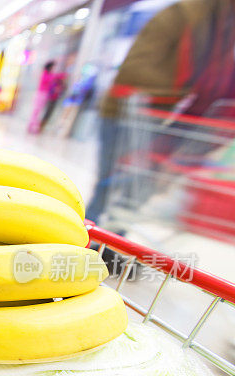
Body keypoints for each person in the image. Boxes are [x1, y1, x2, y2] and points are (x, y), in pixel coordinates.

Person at [86, 0, 235, 224]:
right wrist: (182, 93)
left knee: (133, 195)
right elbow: (135, 70)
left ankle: (111, 244)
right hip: (128, 112)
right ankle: (87, 237)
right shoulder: (183, 15)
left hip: (164, 120)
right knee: (109, 189)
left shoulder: (223, 27)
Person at [27, 61, 59, 134]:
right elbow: (51, 78)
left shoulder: (49, 74)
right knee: (36, 111)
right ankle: (33, 127)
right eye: (53, 67)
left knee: (38, 111)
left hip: (44, 94)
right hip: (41, 94)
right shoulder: (45, 74)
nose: (54, 69)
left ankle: (33, 126)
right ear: (50, 67)